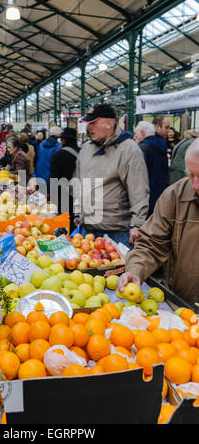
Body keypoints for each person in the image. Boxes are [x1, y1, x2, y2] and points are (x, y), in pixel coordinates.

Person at [117, 137, 199, 305]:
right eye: (191, 175)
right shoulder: (176, 195)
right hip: (184, 307)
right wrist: (135, 270)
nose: (195, 185)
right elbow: (151, 243)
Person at [73, 104, 149, 247]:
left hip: (117, 231)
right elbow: (79, 181)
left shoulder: (128, 149)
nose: (89, 127)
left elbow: (138, 189)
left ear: (109, 123)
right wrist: (78, 212)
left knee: (117, 269)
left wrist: (137, 224)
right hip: (88, 229)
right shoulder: (86, 149)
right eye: (88, 123)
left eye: (93, 123)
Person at [134, 121, 168, 217]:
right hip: (159, 193)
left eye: (136, 134)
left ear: (143, 133)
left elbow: (138, 174)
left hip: (145, 196)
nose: (134, 137)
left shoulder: (142, 148)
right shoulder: (162, 145)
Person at [50, 127, 80, 233]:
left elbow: (53, 179)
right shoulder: (82, 154)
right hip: (79, 197)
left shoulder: (58, 155)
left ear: (63, 140)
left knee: (64, 224)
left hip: (62, 196)